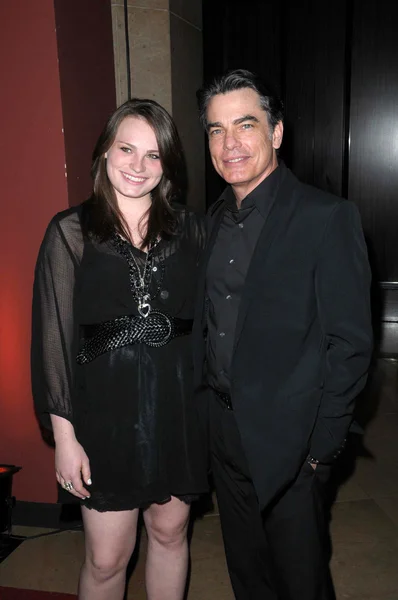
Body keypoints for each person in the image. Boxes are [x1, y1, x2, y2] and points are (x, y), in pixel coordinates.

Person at [193, 69, 373, 600]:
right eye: (216, 130)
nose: (230, 144)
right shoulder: (213, 221)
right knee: (248, 578)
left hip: (292, 447)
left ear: (275, 132)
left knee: (301, 584)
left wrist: (320, 450)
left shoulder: (327, 217)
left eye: (245, 125)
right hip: (224, 437)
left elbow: (351, 345)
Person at [31, 98, 208, 600]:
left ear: (167, 165)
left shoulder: (193, 231)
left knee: (170, 535)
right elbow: (53, 338)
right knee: (107, 559)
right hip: (105, 417)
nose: (138, 165)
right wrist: (65, 437)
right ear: (105, 152)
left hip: (177, 412)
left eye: (153, 155)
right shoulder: (70, 232)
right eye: (126, 149)